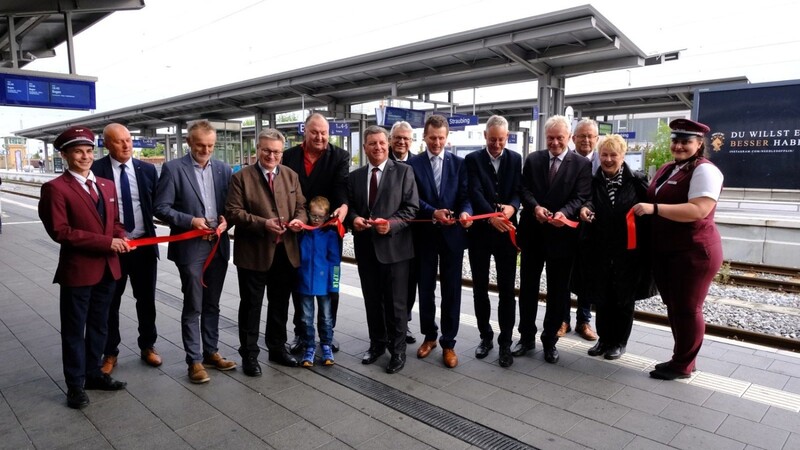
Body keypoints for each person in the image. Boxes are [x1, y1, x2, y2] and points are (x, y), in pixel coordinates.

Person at [38, 126, 129, 409]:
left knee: (100, 326)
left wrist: (121, 236)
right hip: (78, 271)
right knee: (75, 330)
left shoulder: (106, 185)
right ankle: (75, 385)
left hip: (107, 270)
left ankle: (94, 374)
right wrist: (107, 242)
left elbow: (113, 222)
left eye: (89, 151)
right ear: (65, 155)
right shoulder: (55, 188)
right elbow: (61, 231)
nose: (85, 156)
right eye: (77, 151)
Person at [633, 118, 724, 380]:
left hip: (693, 252)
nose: (679, 146)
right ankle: (683, 357)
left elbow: (698, 210)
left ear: (699, 144)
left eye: (686, 141)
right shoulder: (667, 169)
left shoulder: (705, 171)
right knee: (675, 306)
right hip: (670, 251)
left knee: (688, 308)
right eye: (676, 140)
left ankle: (683, 364)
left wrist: (655, 209)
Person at [154, 119, 236, 384]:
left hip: (218, 245)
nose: (206, 150)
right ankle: (195, 361)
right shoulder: (173, 168)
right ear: (189, 142)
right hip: (190, 247)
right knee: (194, 304)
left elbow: (231, 208)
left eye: (210, 145)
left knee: (212, 303)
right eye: (200, 145)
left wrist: (226, 221)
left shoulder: (224, 169)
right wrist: (190, 221)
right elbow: (161, 208)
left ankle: (211, 351)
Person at [225, 128, 307, 375]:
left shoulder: (291, 176)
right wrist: (263, 223)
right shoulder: (241, 177)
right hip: (254, 253)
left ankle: (277, 347)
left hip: (285, 251)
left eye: (277, 152)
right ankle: (249, 354)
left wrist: (299, 220)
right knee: (251, 305)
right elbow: (233, 211)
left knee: (280, 303)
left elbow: (301, 206)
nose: (272, 156)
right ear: (257, 150)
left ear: (282, 153)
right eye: (267, 151)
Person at [514, 115, 591, 364]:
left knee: (559, 292)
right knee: (527, 289)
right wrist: (535, 207)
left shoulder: (580, 164)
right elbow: (523, 189)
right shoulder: (534, 159)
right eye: (550, 138)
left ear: (569, 137)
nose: (555, 142)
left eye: (560, 137)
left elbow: (581, 196)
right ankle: (526, 337)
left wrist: (565, 213)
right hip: (534, 233)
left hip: (562, 237)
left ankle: (550, 341)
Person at [575, 134, 655, 360]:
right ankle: (604, 339)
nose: (608, 159)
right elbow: (587, 200)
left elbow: (649, 209)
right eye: (604, 155)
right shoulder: (593, 180)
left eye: (613, 155)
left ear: (623, 156)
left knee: (623, 297)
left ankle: (619, 341)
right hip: (599, 249)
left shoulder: (637, 180)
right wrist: (585, 209)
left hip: (628, 251)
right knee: (602, 295)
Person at [346, 125, 418, 374]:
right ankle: (376, 344)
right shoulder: (354, 177)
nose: (378, 147)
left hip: (396, 250)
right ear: (364, 147)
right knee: (372, 301)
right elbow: (351, 208)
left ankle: (397, 351)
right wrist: (353, 219)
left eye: (381, 143)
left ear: (387, 145)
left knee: (397, 304)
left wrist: (392, 225)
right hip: (366, 250)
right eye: (372, 144)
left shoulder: (404, 171)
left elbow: (411, 209)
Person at [92, 123, 162, 374]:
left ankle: (148, 345)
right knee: (110, 301)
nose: (126, 145)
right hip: (113, 249)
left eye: (128, 140)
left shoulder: (147, 170)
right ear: (107, 144)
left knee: (147, 300)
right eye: (119, 141)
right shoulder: (96, 170)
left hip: (143, 246)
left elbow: (157, 204)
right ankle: (110, 352)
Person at [409, 114, 473, 369]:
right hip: (424, 236)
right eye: (432, 138)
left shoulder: (459, 164)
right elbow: (412, 199)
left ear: (447, 138)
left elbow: (465, 197)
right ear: (424, 137)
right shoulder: (413, 165)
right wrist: (432, 212)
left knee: (451, 291)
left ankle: (449, 342)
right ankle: (429, 336)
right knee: (425, 289)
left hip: (452, 236)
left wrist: (466, 212)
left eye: (441, 138)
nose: (437, 142)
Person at [282, 113, 349, 355]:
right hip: (298, 233)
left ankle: (327, 335)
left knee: (331, 285)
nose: (320, 137)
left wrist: (343, 207)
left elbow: (341, 185)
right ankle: (302, 333)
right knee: (300, 284)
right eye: (314, 132)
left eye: (324, 132)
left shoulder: (339, 156)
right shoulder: (289, 156)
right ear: (305, 132)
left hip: (329, 234)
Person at [464, 115, 521, 367]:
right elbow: (473, 191)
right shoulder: (473, 159)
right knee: (480, 288)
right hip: (481, 234)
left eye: (501, 139)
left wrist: (512, 208)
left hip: (507, 232)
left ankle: (505, 342)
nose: (496, 144)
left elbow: (519, 191)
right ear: (485, 137)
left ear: (506, 137)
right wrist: (490, 218)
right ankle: (485, 336)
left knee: (507, 290)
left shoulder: (516, 159)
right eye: (492, 139)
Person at [561, 118, 602, 341]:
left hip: (592, 230)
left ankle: (584, 321)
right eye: (582, 136)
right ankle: (563, 319)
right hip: (566, 227)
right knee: (565, 274)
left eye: (590, 136)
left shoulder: (602, 161)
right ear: (573, 138)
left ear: (596, 139)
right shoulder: (565, 160)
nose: (586, 140)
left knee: (588, 274)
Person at [297, 196, 341, 367]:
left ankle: (326, 345)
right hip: (305, 282)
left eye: (320, 216)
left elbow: (335, 261)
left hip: (324, 284)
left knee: (326, 317)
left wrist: (334, 285)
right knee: (306, 318)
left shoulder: (330, 234)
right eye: (313, 215)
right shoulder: (302, 232)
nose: (315, 219)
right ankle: (309, 346)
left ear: (327, 216)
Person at [388, 120, 418, 344]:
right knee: (385, 285)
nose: (401, 142)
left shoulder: (418, 163)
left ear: (411, 141)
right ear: (391, 139)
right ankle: (386, 325)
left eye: (406, 138)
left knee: (409, 283)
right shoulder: (380, 158)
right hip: (385, 235)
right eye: (397, 137)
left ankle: (403, 324)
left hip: (411, 234)